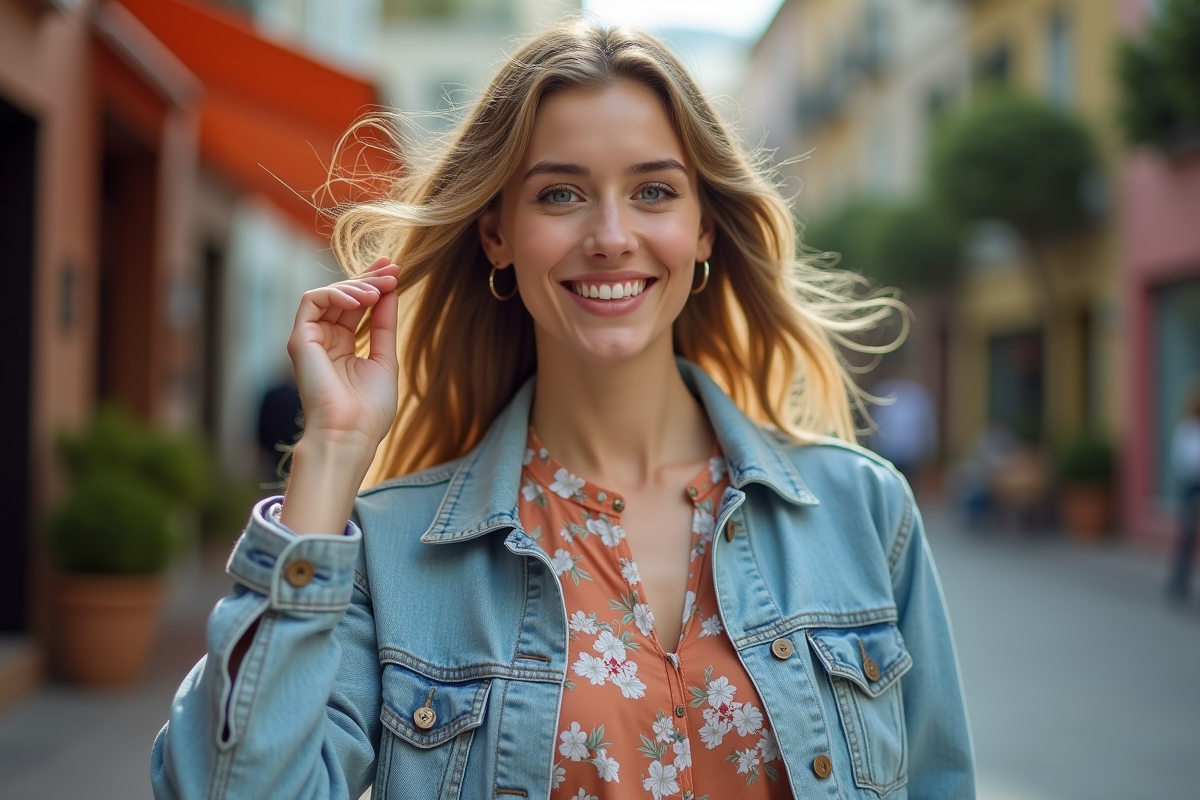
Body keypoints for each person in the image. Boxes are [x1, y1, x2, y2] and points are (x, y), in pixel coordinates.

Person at [151, 21, 974, 800]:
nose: (611, 235)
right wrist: (330, 452)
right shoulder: (392, 555)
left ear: (705, 231)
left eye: (654, 190)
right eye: (560, 196)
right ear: (497, 235)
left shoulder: (865, 513)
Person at [1167, 383, 1200, 602]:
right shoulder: (1186, 429)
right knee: (1187, 535)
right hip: (1190, 485)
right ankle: (1178, 583)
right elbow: (1183, 461)